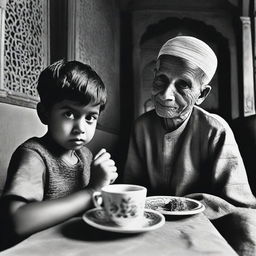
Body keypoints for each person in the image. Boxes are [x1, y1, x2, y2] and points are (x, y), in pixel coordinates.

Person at [123, 35, 256, 208]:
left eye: (183, 85)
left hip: (205, 221)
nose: (165, 95)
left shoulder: (215, 130)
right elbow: (132, 190)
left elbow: (238, 204)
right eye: (161, 79)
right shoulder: (141, 127)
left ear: (201, 94)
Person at [0, 59, 118, 249]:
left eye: (90, 117)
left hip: (71, 246)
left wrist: (104, 189)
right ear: (44, 113)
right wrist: (91, 192)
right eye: (69, 114)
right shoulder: (34, 156)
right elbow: (18, 221)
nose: (80, 128)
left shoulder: (86, 156)